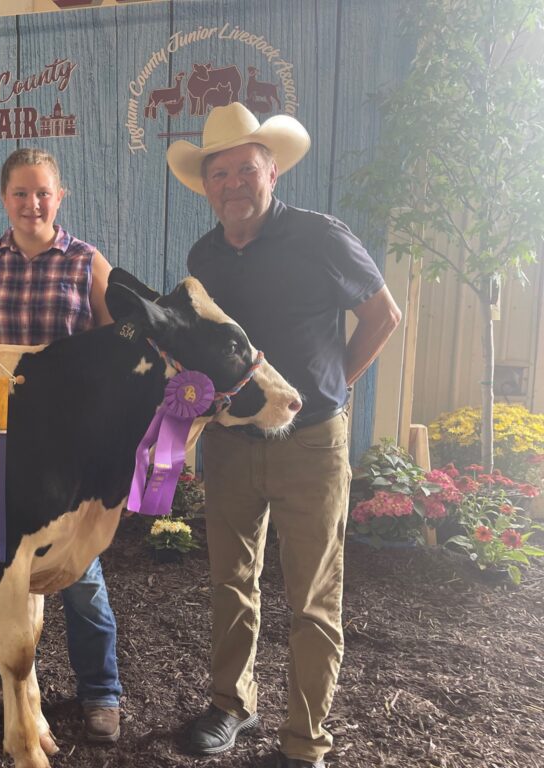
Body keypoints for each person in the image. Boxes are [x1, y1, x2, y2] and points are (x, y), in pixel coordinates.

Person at [165, 103, 401, 768]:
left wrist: (338, 383)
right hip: (232, 442)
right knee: (230, 582)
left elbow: (384, 315)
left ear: (271, 172)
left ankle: (306, 742)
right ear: (206, 186)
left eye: (246, 169)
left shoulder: (321, 236)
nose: (234, 183)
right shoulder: (203, 254)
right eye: (220, 173)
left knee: (313, 598)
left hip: (310, 444)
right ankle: (231, 706)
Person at [0, 147, 123, 743]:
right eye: (20, 193)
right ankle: (12, 678)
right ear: (4, 199)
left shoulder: (86, 261)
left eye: (43, 192)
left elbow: (113, 340)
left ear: (60, 197)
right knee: (1, 567)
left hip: (66, 442)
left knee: (77, 575)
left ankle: (100, 690)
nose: (32, 203)